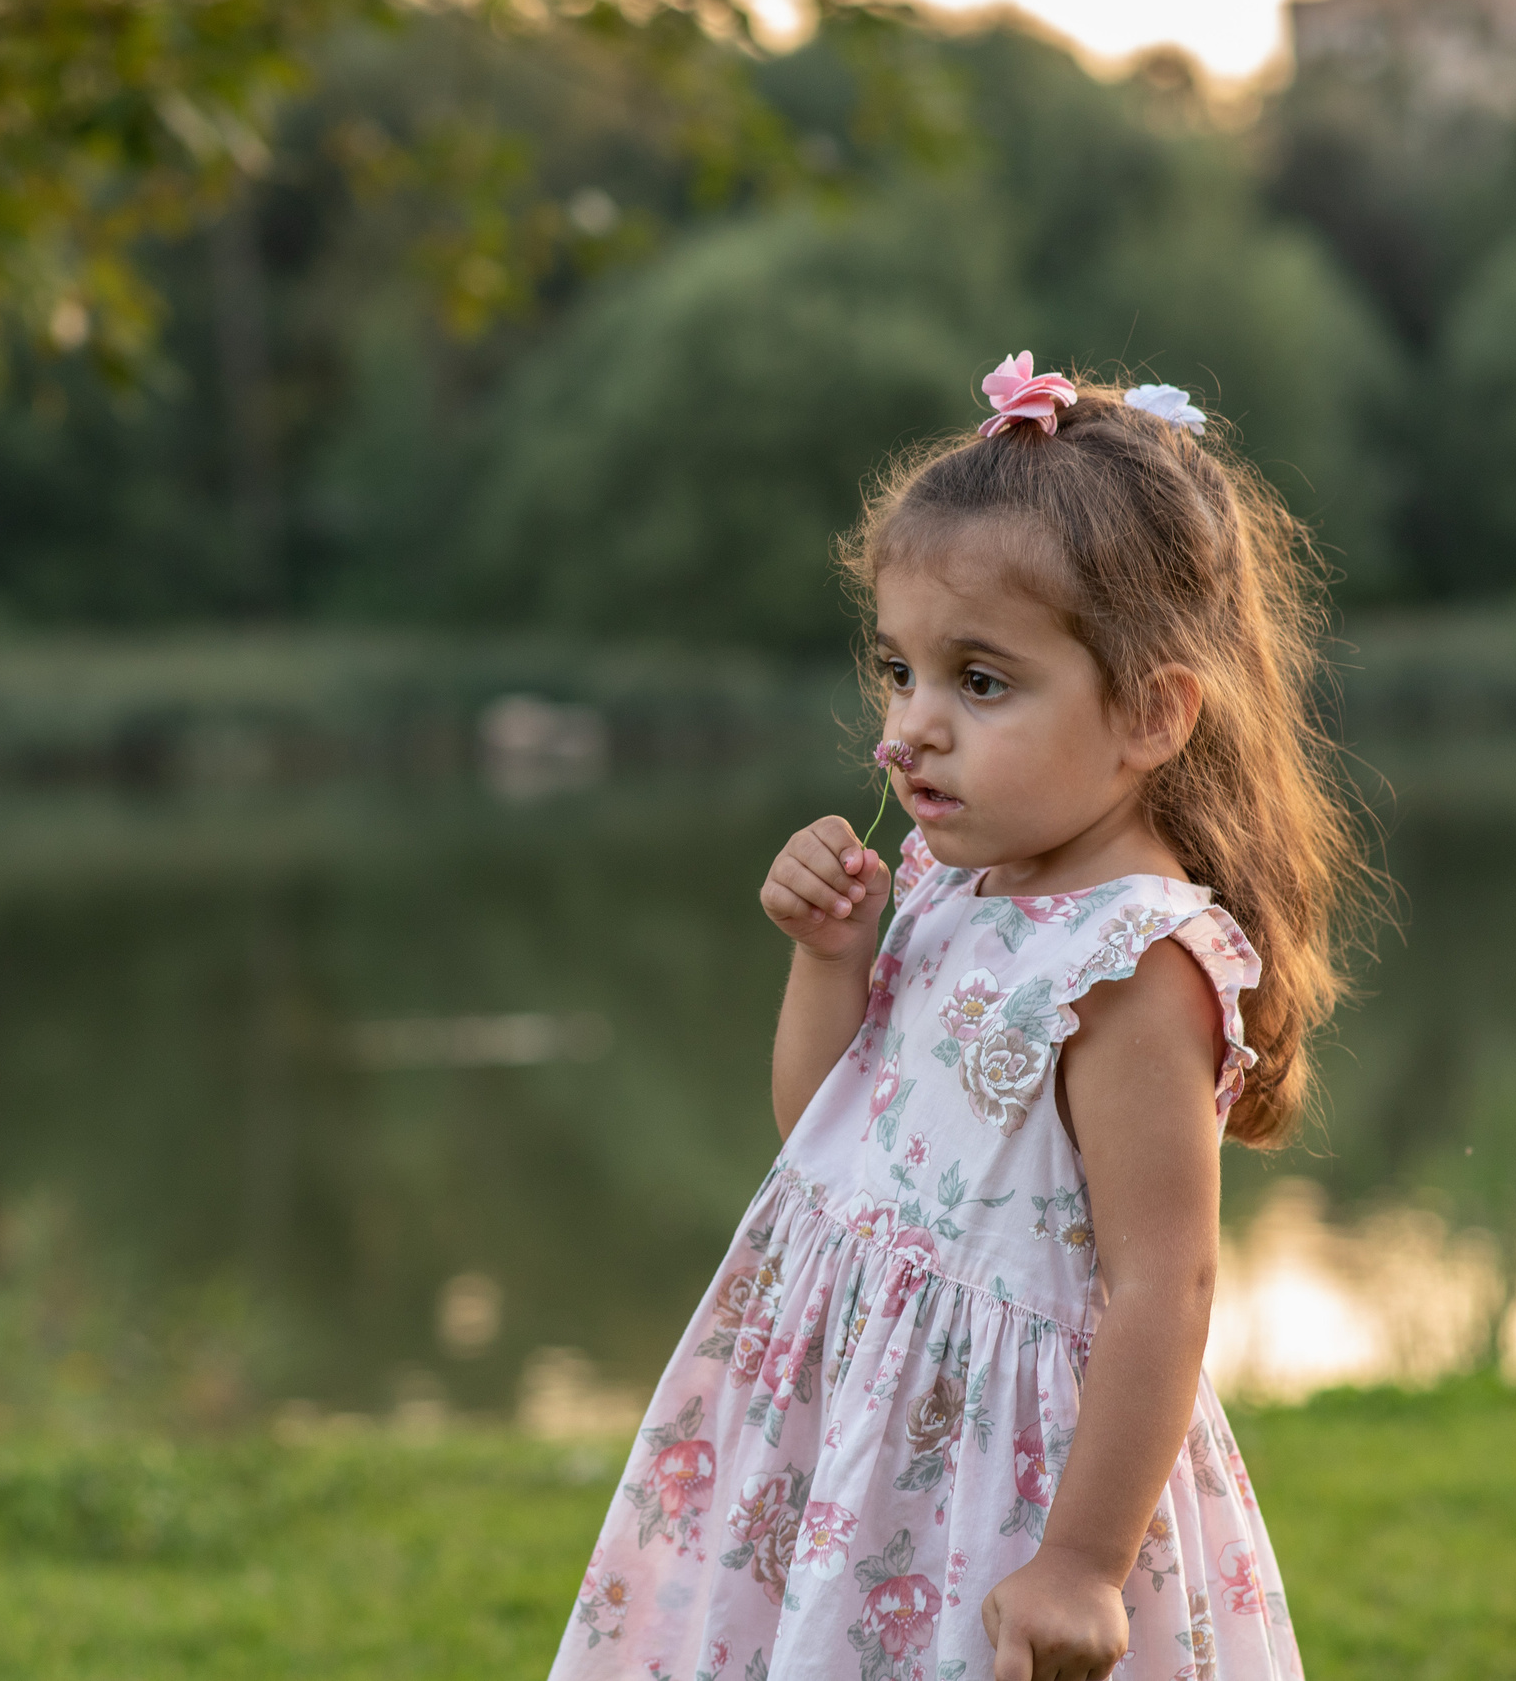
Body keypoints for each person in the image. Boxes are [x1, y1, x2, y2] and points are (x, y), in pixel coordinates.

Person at [547, 356, 1372, 1681]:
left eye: (979, 682)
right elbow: (823, 1141)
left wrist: (1084, 1560)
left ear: (1154, 711)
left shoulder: (1132, 960)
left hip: (1007, 1483)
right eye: (900, 672)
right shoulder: (948, 883)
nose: (906, 731)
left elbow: (1168, 1279)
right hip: (844, 1452)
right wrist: (832, 956)